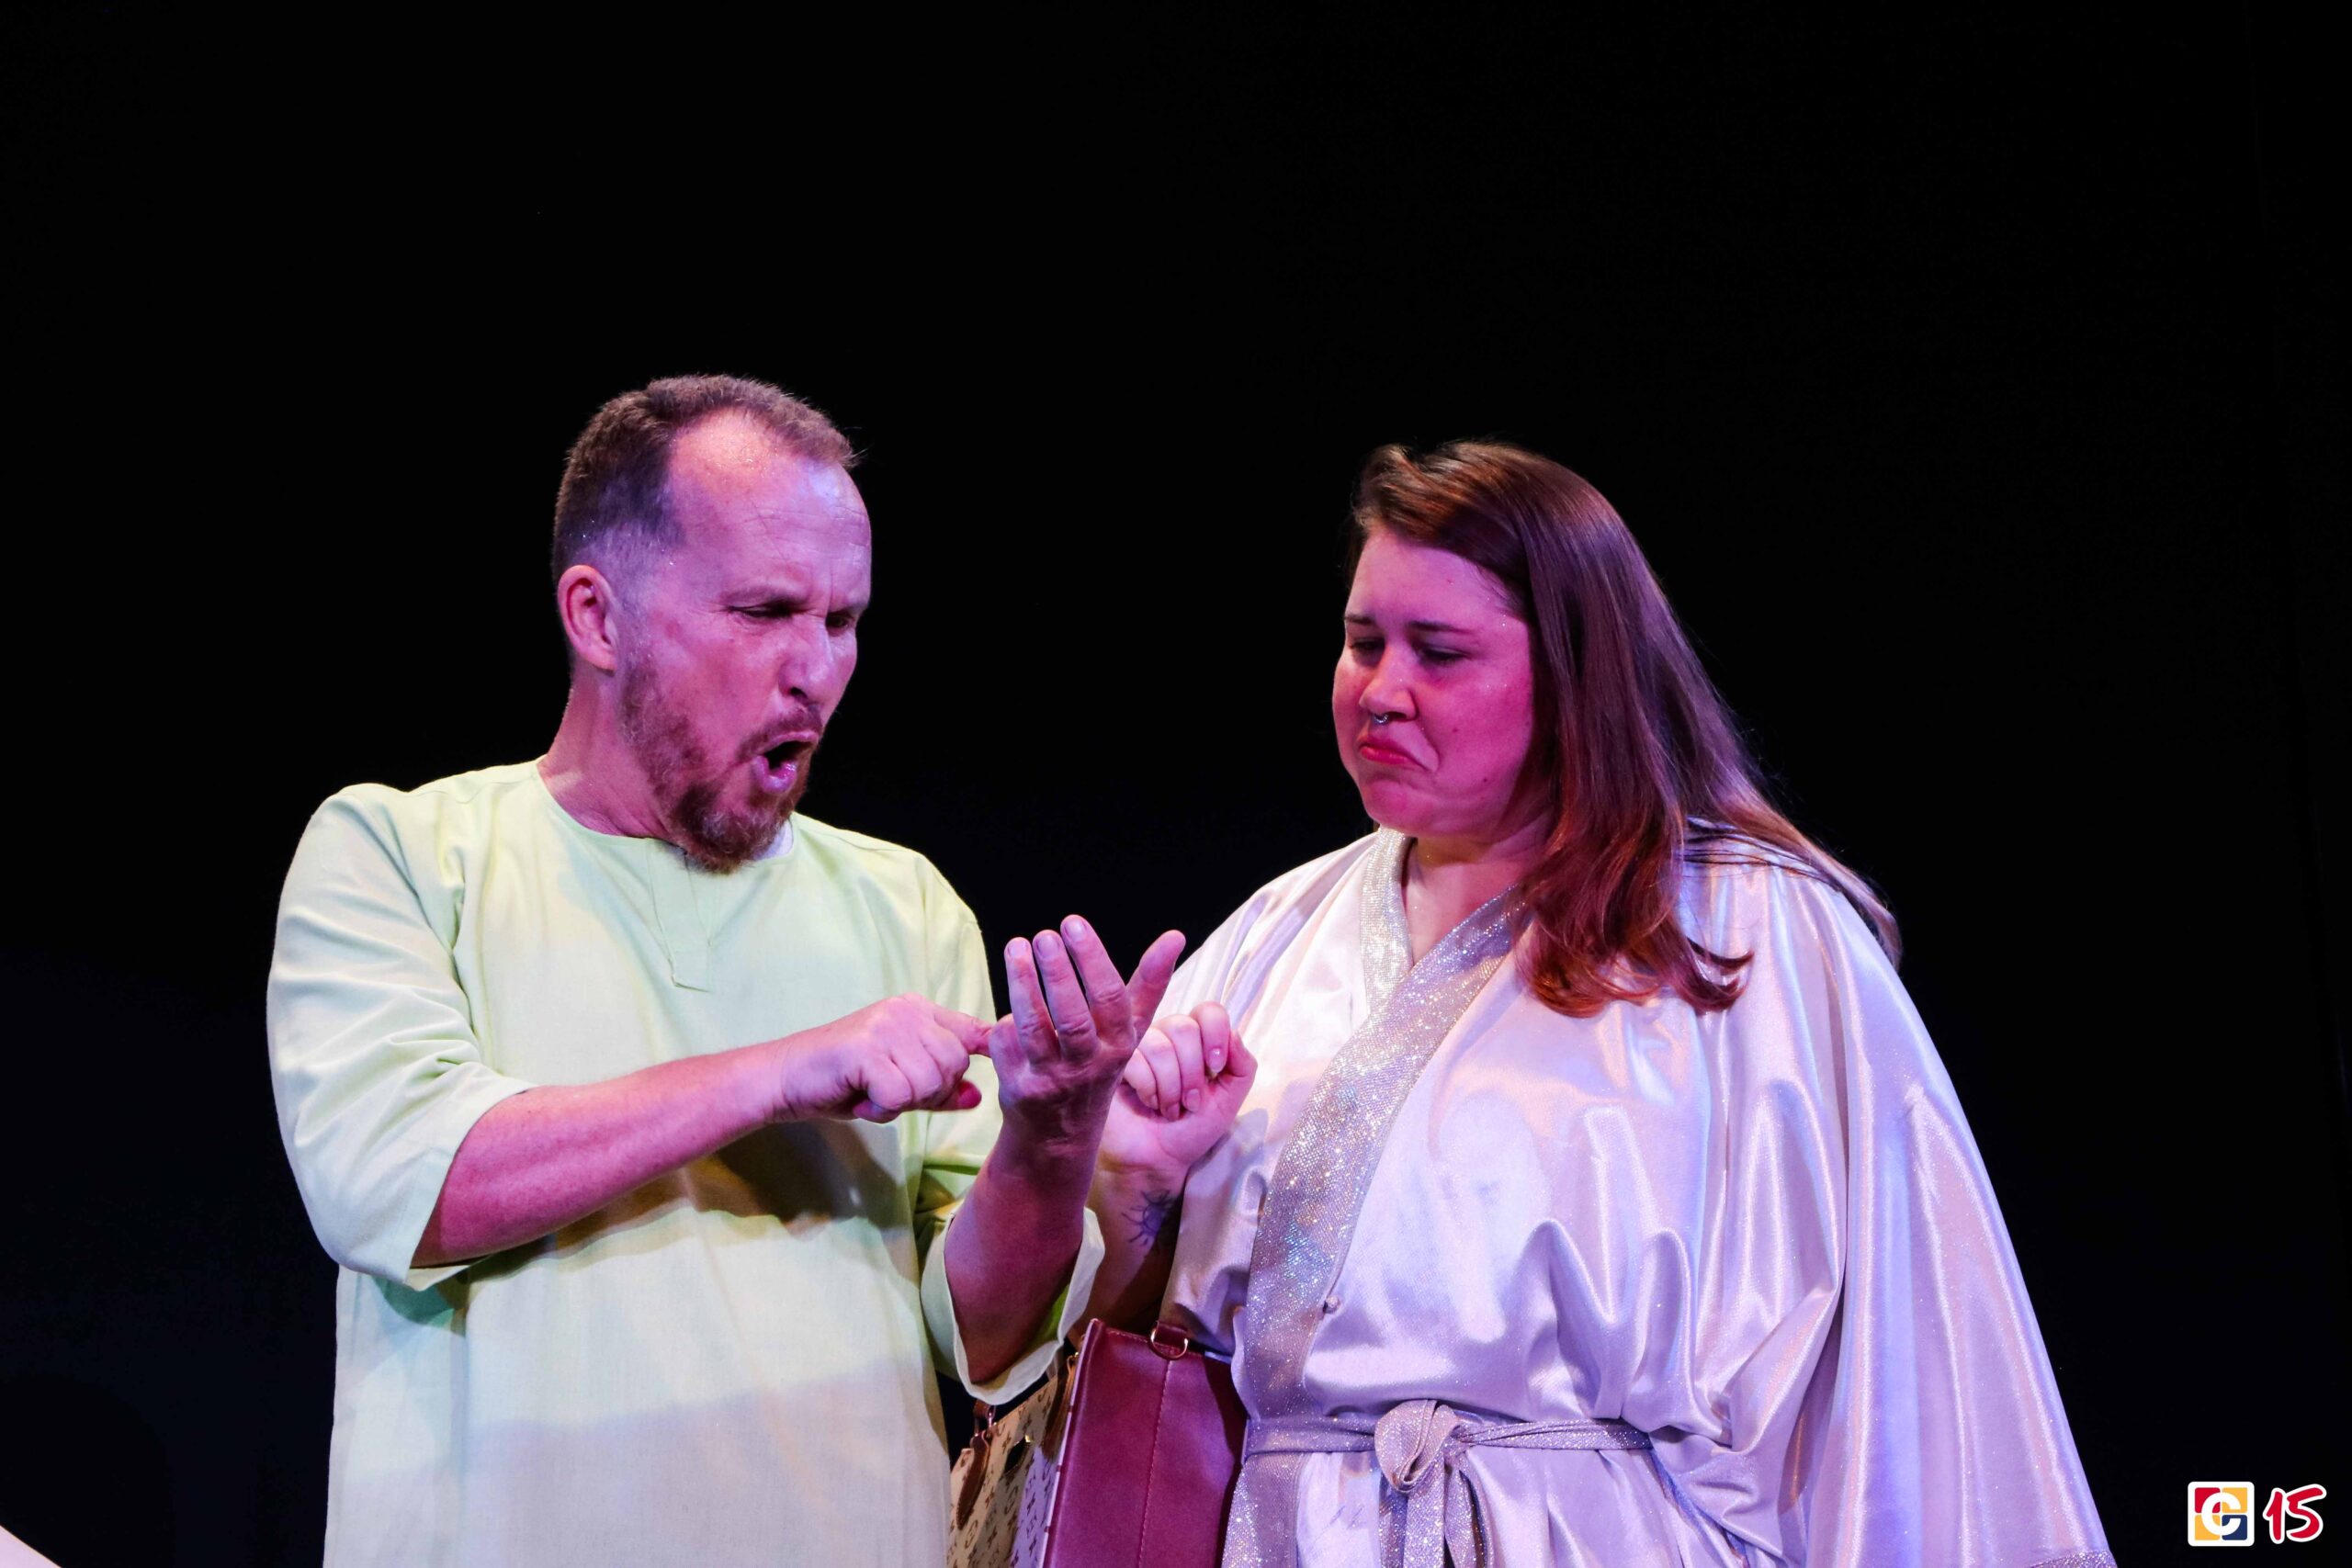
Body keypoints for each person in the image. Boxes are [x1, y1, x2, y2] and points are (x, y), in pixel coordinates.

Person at [1061, 441, 2114, 1566]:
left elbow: (1916, 1359)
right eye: (1363, 642)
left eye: (1439, 652)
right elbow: (1131, 1352)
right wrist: (1132, 1192)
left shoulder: (1748, 935)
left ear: (1577, 675)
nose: (1381, 691)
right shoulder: (1276, 937)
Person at [266, 375, 1178, 1567]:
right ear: (597, 618)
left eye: (842, 620)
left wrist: (1052, 1136)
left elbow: (988, 1339)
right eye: (765, 610)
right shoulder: (401, 851)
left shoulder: (904, 904)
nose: (816, 670)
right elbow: (401, 1180)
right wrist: (784, 1071)